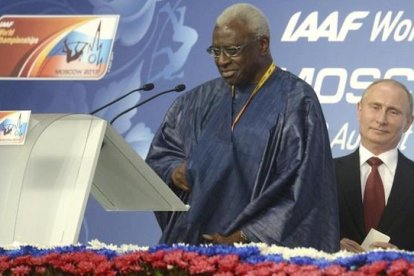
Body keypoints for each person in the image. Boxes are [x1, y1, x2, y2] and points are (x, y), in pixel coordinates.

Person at [146, 3, 339, 252]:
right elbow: (162, 155)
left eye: (232, 50)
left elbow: (306, 189)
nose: (222, 61)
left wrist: (248, 236)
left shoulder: (296, 100)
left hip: (257, 255)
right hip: (192, 248)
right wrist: (173, 171)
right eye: (216, 51)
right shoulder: (196, 100)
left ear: (262, 45)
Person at [335, 79, 414, 252]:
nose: (381, 119)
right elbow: (301, 231)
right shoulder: (324, 173)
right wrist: (331, 246)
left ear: (408, 122)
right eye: (375, 107)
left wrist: (405, 260)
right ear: (359, 109)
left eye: (393, 112)